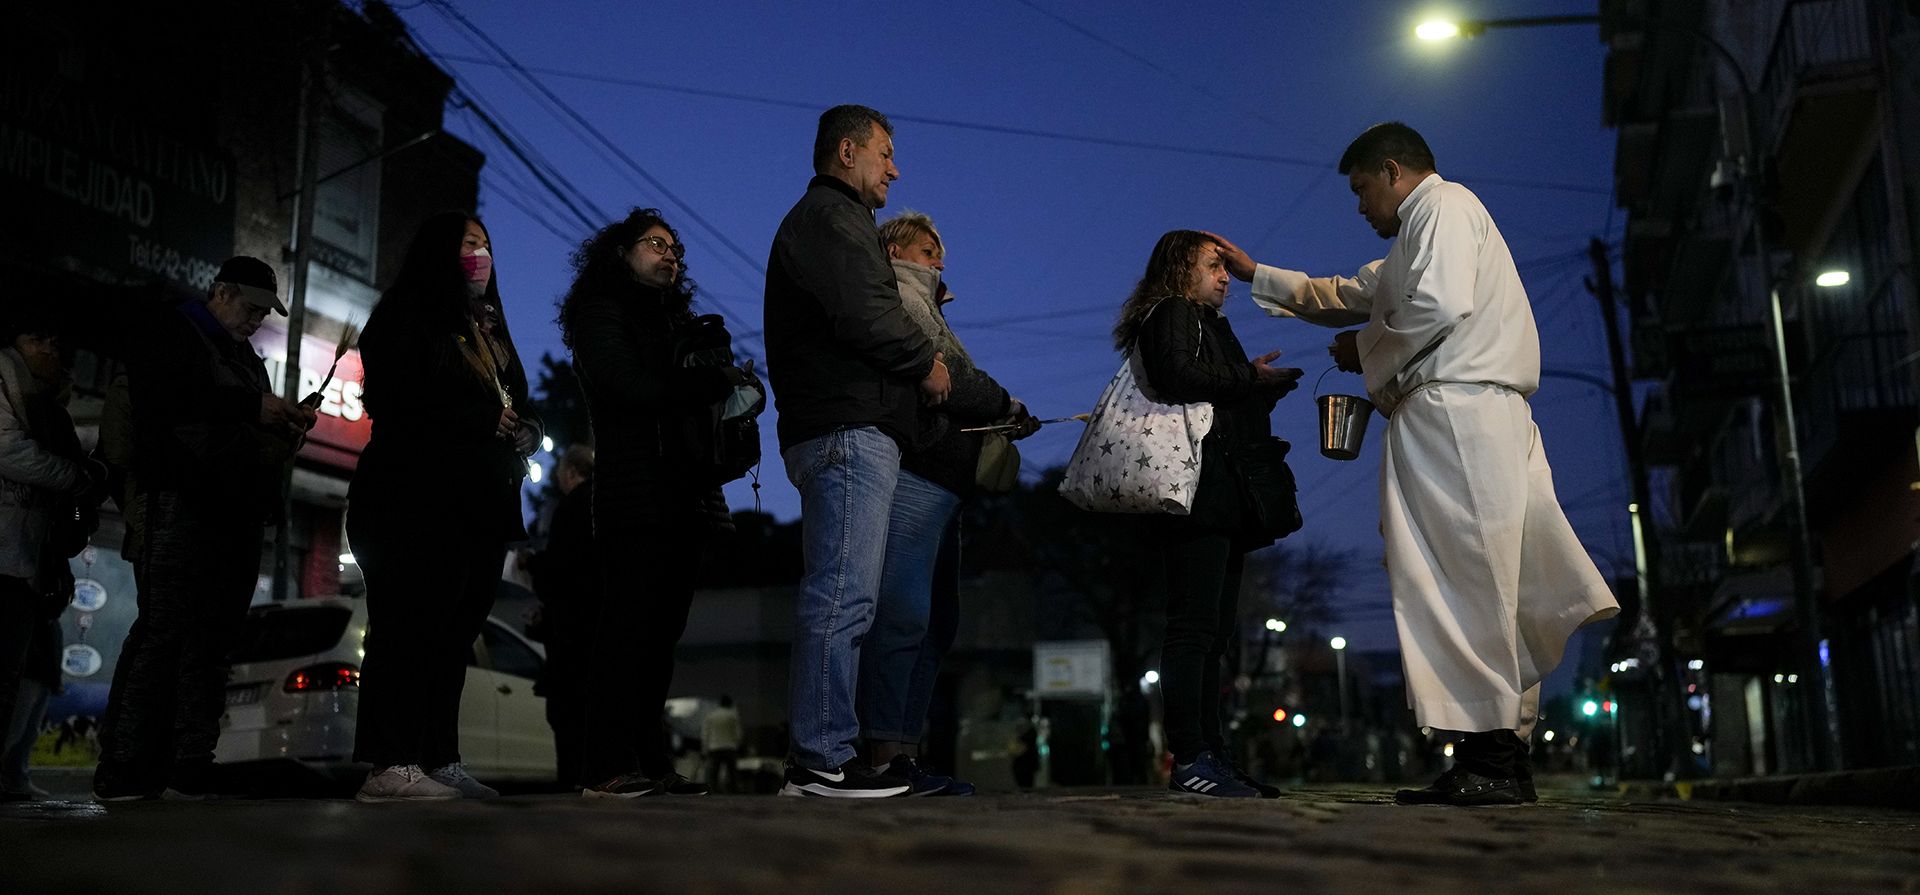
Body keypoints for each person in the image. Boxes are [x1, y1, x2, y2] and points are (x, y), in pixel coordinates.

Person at [1210, 122, 1620, 806]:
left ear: (1394, 171)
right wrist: (1260, 277)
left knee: (1466, 575)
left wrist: (1363, 351)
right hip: (1466, 414)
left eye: (1362, 189)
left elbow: (1436, 305)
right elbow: (1343, 291)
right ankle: (1498, 753)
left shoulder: (1446, 208)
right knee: (1486, 578)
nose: (1359, 205)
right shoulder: (1417, 237)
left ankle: (1491, 752)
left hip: (1459, 413)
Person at [764, 104, 948, 798]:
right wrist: (925, 361)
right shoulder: (834, 220)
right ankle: (818, 757)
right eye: (886, 153)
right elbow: (867, 314)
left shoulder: (836, 222)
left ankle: (824, 753)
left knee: (848, 597)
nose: (895, 169)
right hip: (844, 428)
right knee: (841, 595)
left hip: (845, 424)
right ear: (848, 151)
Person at [90, 258, 315, 800]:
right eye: (252, 309)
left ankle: (190, 764)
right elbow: (163, 401)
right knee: (164, 631)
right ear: (219, 292)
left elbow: (247, 428)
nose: (257, 321)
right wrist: (252, 407)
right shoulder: (172, 331)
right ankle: (123, 765)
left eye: (265, 313)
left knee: (214, 643)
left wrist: (285, 426)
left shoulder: (247, 359)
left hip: (234, 516)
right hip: (180, 504)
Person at [348, 212, 542, 802]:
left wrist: (528, 428)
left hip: (478, 505)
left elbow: (516, 399)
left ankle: (438, 758)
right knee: (406, 627)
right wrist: (480, 419)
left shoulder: (487, 326)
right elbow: (393, 400)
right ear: (436, 250)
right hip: (412, 498)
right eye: (467, 242)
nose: (480, 254)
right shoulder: (406, 316)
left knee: (453, 634)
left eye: (485, 243)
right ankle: (390, 763)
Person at [558, 208, 748, 798]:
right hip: (634, 493)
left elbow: (694, 398)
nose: (670, 254)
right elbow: (630, 388)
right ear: (620, 252)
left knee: (662, 637)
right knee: (627, 630)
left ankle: (649, 761)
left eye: (676, 249)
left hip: (687, 495)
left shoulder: (676, 320)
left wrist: (732, 385)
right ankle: (605, 766)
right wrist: (713, 381)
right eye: (656, 244)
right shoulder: (599, 313)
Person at [1111, 231, 1301, 798]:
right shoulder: (1172, 311)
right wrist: (1249, 378)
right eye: (1212, 266)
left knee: (1215, 631)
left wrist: (1261, 388)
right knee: (1194, 627)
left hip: (1220, 491)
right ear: (1179, 268)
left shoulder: (1206, 322)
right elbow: (1178, 379)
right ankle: (1191, 757)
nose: (1224, 277)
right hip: (1193, 489)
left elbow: (1215, 395)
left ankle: (1212, 756)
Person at [856, 211, 1036, 796]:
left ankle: (902, 751)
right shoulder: (902, 295)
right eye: (929, 247)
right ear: (896, 249)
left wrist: (998, 408)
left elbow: (957, 378)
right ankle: (887, 753)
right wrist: (1005, 404)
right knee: (905, 613)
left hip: (944, 477)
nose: (939, 259)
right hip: (919, 471)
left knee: (934, 620)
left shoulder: (925, 301)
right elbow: (953, 375)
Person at [1, 313, 103, 800]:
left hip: (27, 562)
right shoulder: (8, 388)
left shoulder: (45, 406)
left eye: (54, 340)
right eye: (35, 336)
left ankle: (11, 771)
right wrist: (76, 477)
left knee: (26, 667)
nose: (48, 349)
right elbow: (10, 452)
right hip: (9, 559)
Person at [523, 444, 596, 790]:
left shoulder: (571, 508)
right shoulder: (602, 505)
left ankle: (572, 784)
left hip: (570, 634)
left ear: (569, 473)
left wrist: (531, 565)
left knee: (567, 716)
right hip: (595, 627)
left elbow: (560, 570)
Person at [700, 694, 742, 793]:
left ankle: (713, 792)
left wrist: (704, 749)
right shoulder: (733, 715)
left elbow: (705, 733)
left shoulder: (711, 715)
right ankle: (734, 792)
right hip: (730, 747)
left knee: (714, 773)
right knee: (732, 773)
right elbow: (738, 733)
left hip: (714, 747)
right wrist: (738, 744)